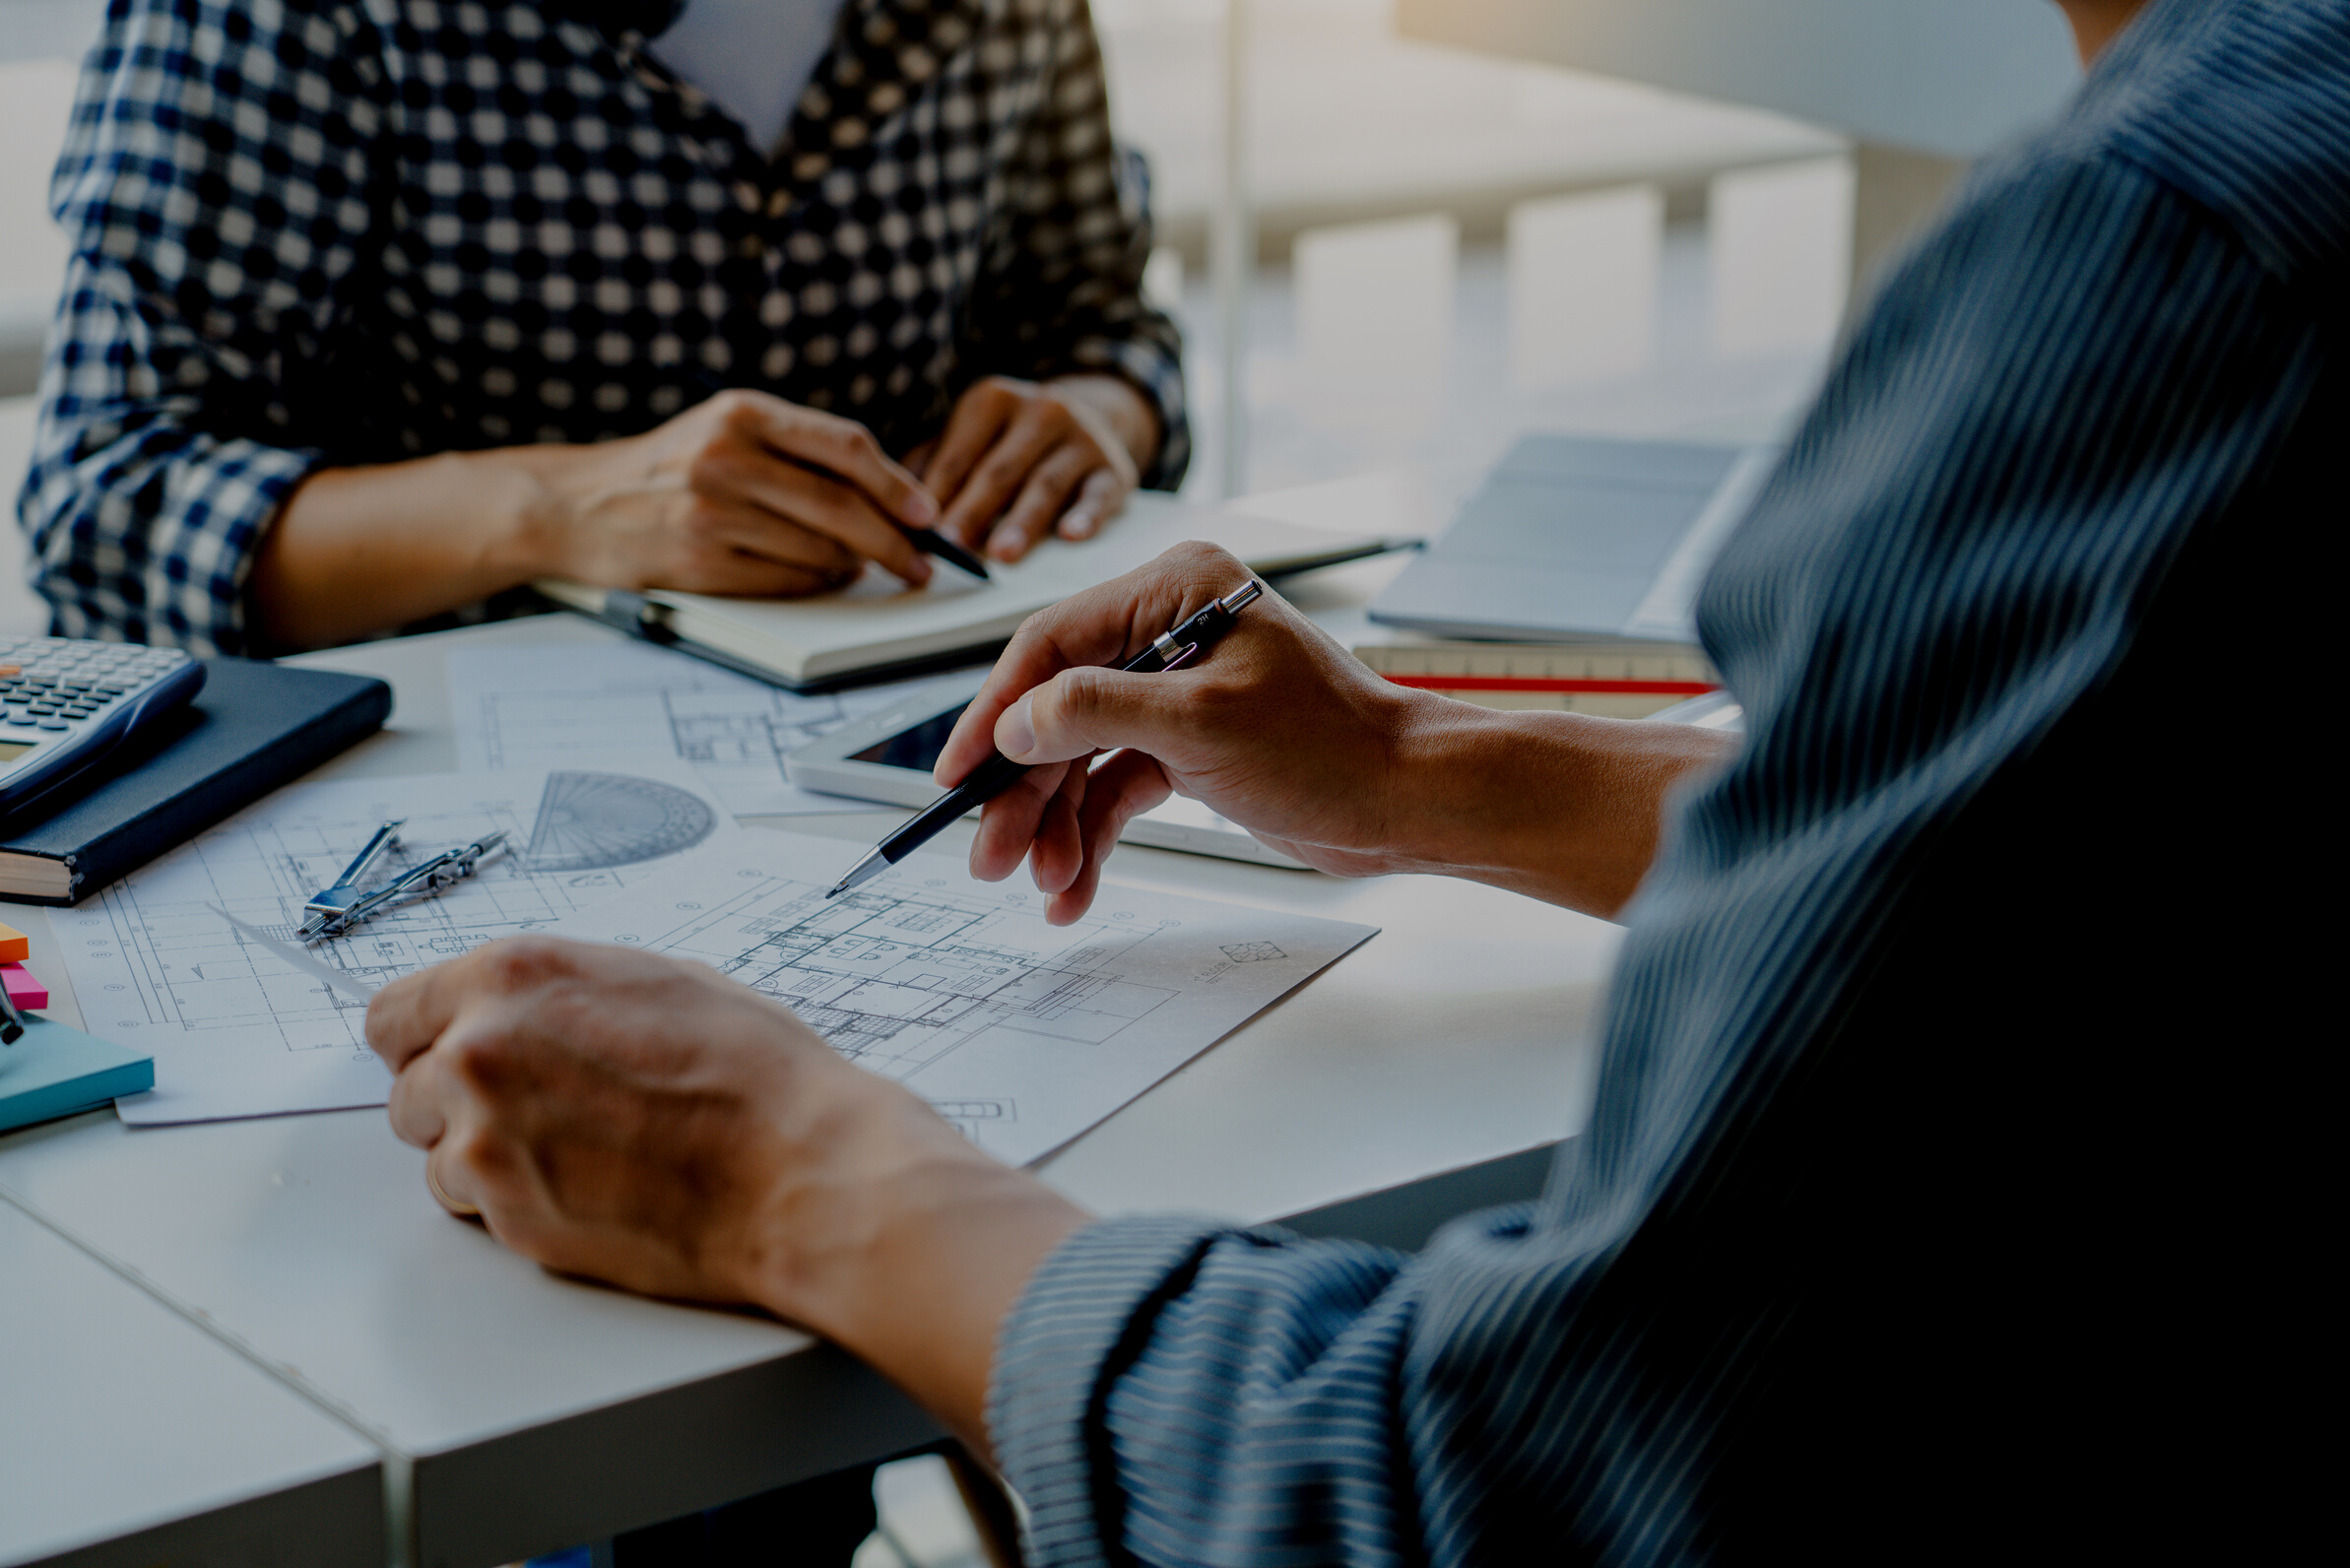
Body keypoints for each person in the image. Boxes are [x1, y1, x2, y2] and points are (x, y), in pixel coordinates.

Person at [360, 0, 2332, 1560]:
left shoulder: (2169, 246)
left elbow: (1507, 1500)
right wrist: (1412, 761)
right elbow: (2106, 858)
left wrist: (785, 1167)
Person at [19, 0, 1184, 655]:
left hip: (919, 738)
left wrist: (1092, 412)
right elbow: (105, 509)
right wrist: (557, 510)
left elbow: (1104, 324)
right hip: (418, 787)